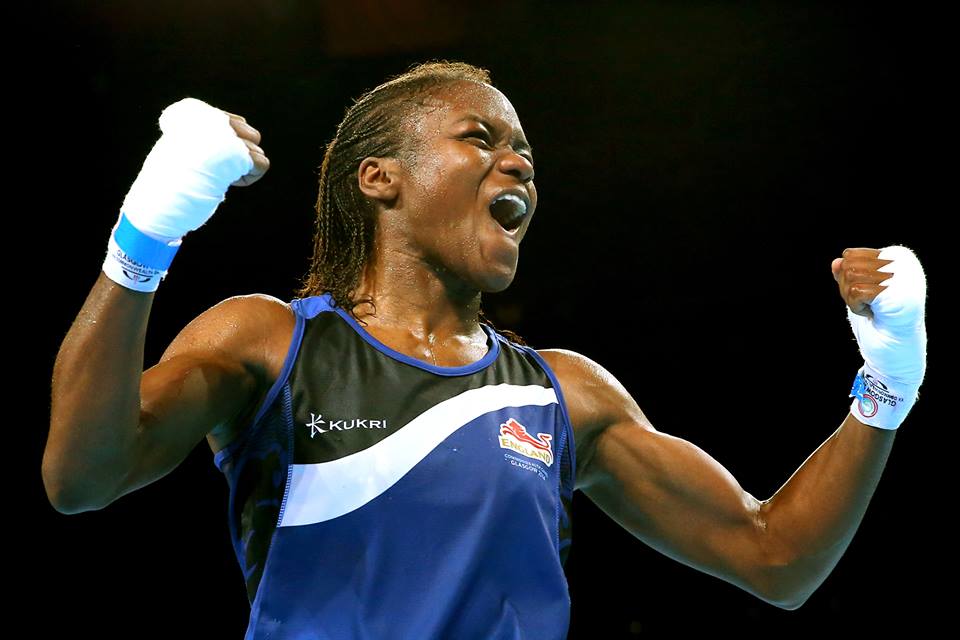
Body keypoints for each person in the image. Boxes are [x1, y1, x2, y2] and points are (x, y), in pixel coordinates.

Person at [43, 60, 928, 639]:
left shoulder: (564, 394)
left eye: (525, 153)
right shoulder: (271, 342)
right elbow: (82, 478)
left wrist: (891, 379)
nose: (519, 165)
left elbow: (777, 559)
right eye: (481, 139)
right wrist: (148, 229)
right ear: (380, 178)